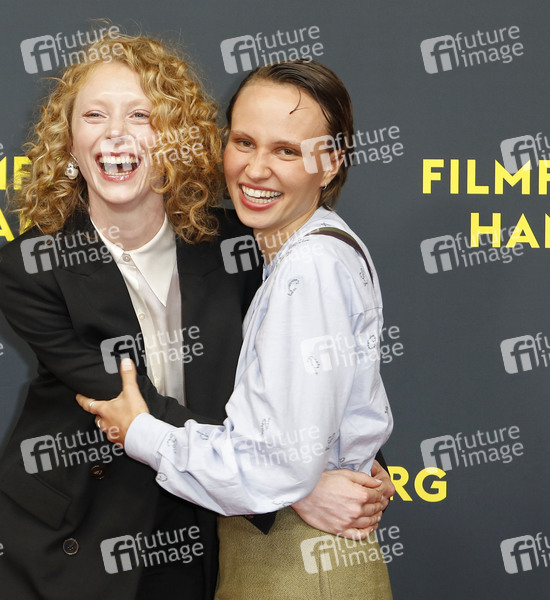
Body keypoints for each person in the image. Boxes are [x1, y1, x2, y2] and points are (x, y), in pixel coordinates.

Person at [0, 35, 390, 600]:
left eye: (140, 115)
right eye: (94, 115)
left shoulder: (241, 243)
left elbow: (301, 365)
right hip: (70, 539)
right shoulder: (30, 267)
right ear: (69, 143)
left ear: (175, 137)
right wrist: (296, 486)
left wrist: (353, 461)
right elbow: (127, 405)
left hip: (195, 533)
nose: (115, 134)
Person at [77, 59, 394, 599]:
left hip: (298, 566)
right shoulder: (307, 251)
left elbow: (272, 469)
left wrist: (140, 431)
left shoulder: (309, 268)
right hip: (287, 555)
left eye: (286, 151)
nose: (256, 169)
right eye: (244, 142)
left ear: (329, 163)